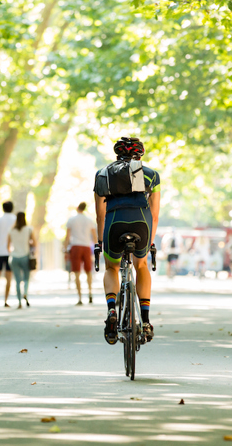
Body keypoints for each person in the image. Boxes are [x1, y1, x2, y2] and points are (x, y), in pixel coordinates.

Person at [94, 137, 161, 344]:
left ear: (117, 155)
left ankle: (112, 310)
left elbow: (99, 215)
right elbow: (155, 214)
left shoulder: (103, 174)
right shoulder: (151, 175)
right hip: (142, 223)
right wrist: (150, 242)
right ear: (140, 155)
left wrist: (100, 240)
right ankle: (147, 320)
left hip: (114, 223)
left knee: (111, 268)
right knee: (141, 266)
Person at [64, 202, 97, 305]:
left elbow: (68, 236)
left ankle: (80, 297)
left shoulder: (71, 220)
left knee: (77, 272)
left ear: (77, 208)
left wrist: (65, 248)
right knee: (88, 271)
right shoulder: (89, 220)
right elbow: (94, 236)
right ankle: (90, 292)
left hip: (75, 246)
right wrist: (96, 246)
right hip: (86, 246)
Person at [7, 212, 35, 309]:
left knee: (17, 280)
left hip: (14, 257)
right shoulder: (29, 230)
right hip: (25, 256)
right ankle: (25, 293)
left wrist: (13, 252)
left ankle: (19, 302)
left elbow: (8, 246)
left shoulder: (11, 231)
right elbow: (34, 243)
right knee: (26, 278)